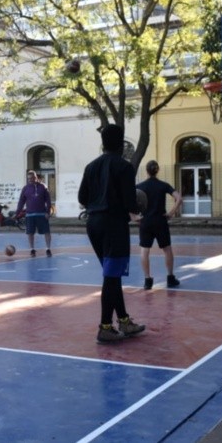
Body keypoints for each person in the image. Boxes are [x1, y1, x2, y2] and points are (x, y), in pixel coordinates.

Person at [78, 124, 146, 343]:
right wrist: (138, 208)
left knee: (112, 276)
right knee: (111, 276)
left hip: (93, 224)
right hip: (114, 225)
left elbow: (82, 197)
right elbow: (130, 202)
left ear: (104, 143)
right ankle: (105, 326)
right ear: (121, 143)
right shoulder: (124, 167)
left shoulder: (91, 166)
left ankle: (124, 321)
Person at [136, 160, 183, 289]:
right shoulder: (163, 185)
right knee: (167, 249)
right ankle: (170, 277)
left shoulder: (139, 186)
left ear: (146, 171)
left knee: (144, 251)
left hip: (145, 222)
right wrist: (171, 213)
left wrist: (134, 216)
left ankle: (147, 280)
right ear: (157, 170)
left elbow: (127, 202)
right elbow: (179, 199)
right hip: (160, 221)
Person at [15, 170, 52, 257]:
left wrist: (48, 212)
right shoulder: (25, 188)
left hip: (42, 214)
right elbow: (21, 201)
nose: (30, 180)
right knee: (30, 233)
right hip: (30, 214)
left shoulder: (43, 187)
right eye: (28, 179)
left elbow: (48, 201)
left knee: (47, 232)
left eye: (32, 178)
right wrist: (17, 213)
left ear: (36, 177)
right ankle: (32, 249)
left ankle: (48, 249)